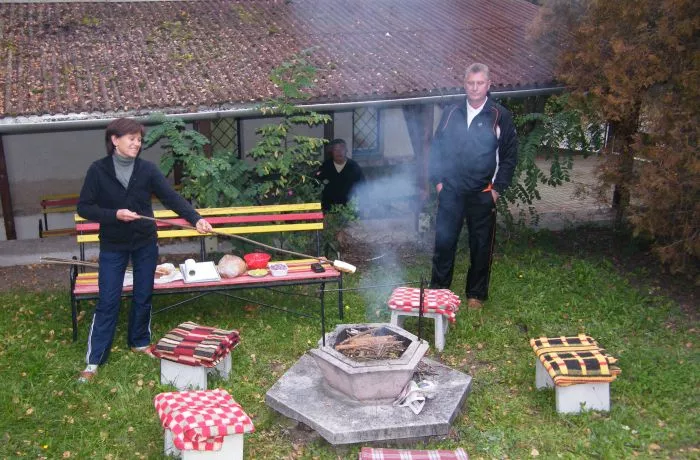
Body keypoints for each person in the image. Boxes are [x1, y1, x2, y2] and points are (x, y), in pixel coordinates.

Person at [76, 118, 213, 382]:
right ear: (115, 140)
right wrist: (115, 214)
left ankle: (139, 342)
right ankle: (93, 361)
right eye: (132, 138)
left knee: (143, 294)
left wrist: (195, 219)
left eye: (139, 139)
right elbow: (84, 207)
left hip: (144, 243)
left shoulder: (147, 169)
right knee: (108, 300)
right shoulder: (98, 170)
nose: (137, 143)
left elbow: (171, 198)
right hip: (113, 245)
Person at [428, 63, 518, 309]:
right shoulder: (451, 112)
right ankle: (439, 291)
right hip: (451, 192)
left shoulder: (499, 115)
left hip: (482, 193)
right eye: (470, 83)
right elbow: (436, 148)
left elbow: (509, 156)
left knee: (481, 246)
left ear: (488, 85)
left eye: (480, 83)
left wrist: (497, 190)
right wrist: (438, 182)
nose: (475, 88)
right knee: (444, 243)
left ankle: (475, 295)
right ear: (464, 84)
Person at [315, 139, 365, 211]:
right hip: (329, 209)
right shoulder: (325, 166)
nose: (339, 152)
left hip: (349, 209)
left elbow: (363, 187)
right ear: (331, 152)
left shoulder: (353, 167)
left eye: (342, 149)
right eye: (336, 150)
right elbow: (316, 185)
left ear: (346, 150)